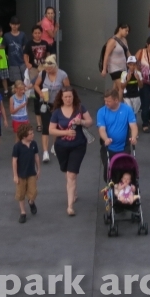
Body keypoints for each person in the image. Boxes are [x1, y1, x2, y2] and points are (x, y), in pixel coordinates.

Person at [48, 87, 92, 217]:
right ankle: (73, 191)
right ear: (61, 97)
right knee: (67, 172)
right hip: (61, 146)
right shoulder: (56, 112)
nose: (68, 99)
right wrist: (65, 132)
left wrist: (81, 121)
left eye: (70, 97)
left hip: (78, 145)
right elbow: (51, 130)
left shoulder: (80, 108)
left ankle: (70, 206)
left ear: (74, 97)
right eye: (66, 97)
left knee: (71, 174)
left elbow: (90, 122)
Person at [33, 56, 69, 164]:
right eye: (46, 68)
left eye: (49, 69)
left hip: (57, 104)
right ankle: (45, 152)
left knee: (56, 126)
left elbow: (68, 88)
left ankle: (55, 145)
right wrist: (40, 93)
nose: (47, 70)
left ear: (54, 66)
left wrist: (63, 97)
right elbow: (36, 85)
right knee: (46, 127)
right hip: (45, 103)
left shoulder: (62, 74)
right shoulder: (43, 73)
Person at [97, 88, 138, 175]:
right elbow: (101, 129)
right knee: (109, 172)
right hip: (108, 147)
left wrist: (134, 137)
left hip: (123, 147)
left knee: (124, 171)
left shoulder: (127, 109)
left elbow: (133, 126)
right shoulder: (101, 112)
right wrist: (106, 139)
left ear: (116, 100)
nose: (106, 103)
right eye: (105, 101)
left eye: (108, 101)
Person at [24, 25, 53, 133]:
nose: (37, 35)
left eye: (39, 33)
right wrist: (27, 64)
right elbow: (25, 55)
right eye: (35, 33)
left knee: (47, 92)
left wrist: (49, 64)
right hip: (34, 69)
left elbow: (49, 55)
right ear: (32, 34)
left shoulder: (45, 43)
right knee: (37, 95)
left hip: (44, 69)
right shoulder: (29, 44)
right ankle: (39, 123)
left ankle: (48, 120)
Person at [11, 122, 39, 223]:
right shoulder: (17, 146)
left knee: (34, 192)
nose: (33, 135)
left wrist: (38, 169)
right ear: (24, 135)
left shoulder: (34, 144)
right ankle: (23, 212)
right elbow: (14, 161)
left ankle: (31, 202)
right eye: (30, 134)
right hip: (21, 174)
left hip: (31, 172)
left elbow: (36, 156)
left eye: (32, 133)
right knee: (21, 194)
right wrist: (15, 175)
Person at [101, 23, 131, 89]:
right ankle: (120, 99)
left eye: (128, 31)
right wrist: (104, 69)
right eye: (126, 30)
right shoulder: (112, 41)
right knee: (121, 88)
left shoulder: (124, 40)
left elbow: (128, 53)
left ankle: (112, 98)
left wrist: (133, 61)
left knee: (116, 88)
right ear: (120, 29)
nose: (127, 33)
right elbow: (106, 55)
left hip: (123, 67)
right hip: (114, 68)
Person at [3, 17, 28, 92]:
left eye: (16, 24)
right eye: (13, 24)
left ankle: (25, 94)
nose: (14, 26)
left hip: (22, 60)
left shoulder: (22, 34)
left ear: (19, 25)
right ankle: (18, 94)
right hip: (12, 61)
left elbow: (25, 47)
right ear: (10, 25)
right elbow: (3, 46)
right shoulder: (6, 35)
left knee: (25, 79)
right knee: (17, 80)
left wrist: (26, 58)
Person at [120, 57, 143, 122]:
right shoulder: (124, 74)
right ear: (127, 65)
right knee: (129, 111)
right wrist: (127, 80)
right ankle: (129, 125)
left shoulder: (138, 73)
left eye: (134, 64)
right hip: (127, 96)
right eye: (130, 64)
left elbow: (141, 86)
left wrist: (138, 79)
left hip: (136, 95)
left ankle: (133, 124)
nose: (132, 66)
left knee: (134, 112)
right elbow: (122, 87)